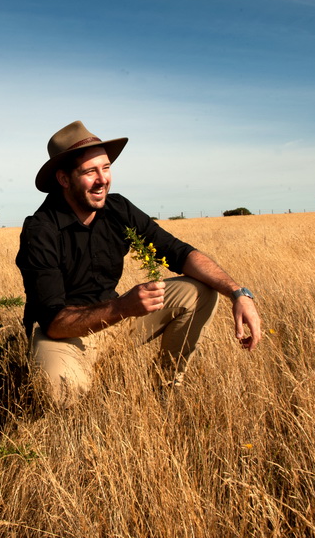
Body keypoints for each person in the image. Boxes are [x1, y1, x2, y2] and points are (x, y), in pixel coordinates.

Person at [15, 120, 262, 404]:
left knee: (201, 291)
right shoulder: (41, 230)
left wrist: (237, 293)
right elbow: (55, 322)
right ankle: (78, 376)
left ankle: (165, 389)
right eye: (89, 171)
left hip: (114, 321)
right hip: (63, 335)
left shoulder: (118, 209)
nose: (102, 179)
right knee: (60, 390)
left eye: (106, 168)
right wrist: (122, 307)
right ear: (64, 179)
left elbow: (177, 252)